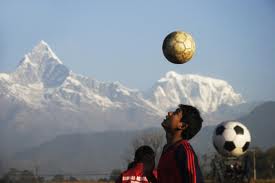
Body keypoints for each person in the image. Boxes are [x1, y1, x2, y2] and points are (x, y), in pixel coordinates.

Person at [147, 104, 204, 183]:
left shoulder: (184, 151)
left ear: (182, 126)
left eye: (175, 113)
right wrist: (149, 174)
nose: (169, 113)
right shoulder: (167, 149)